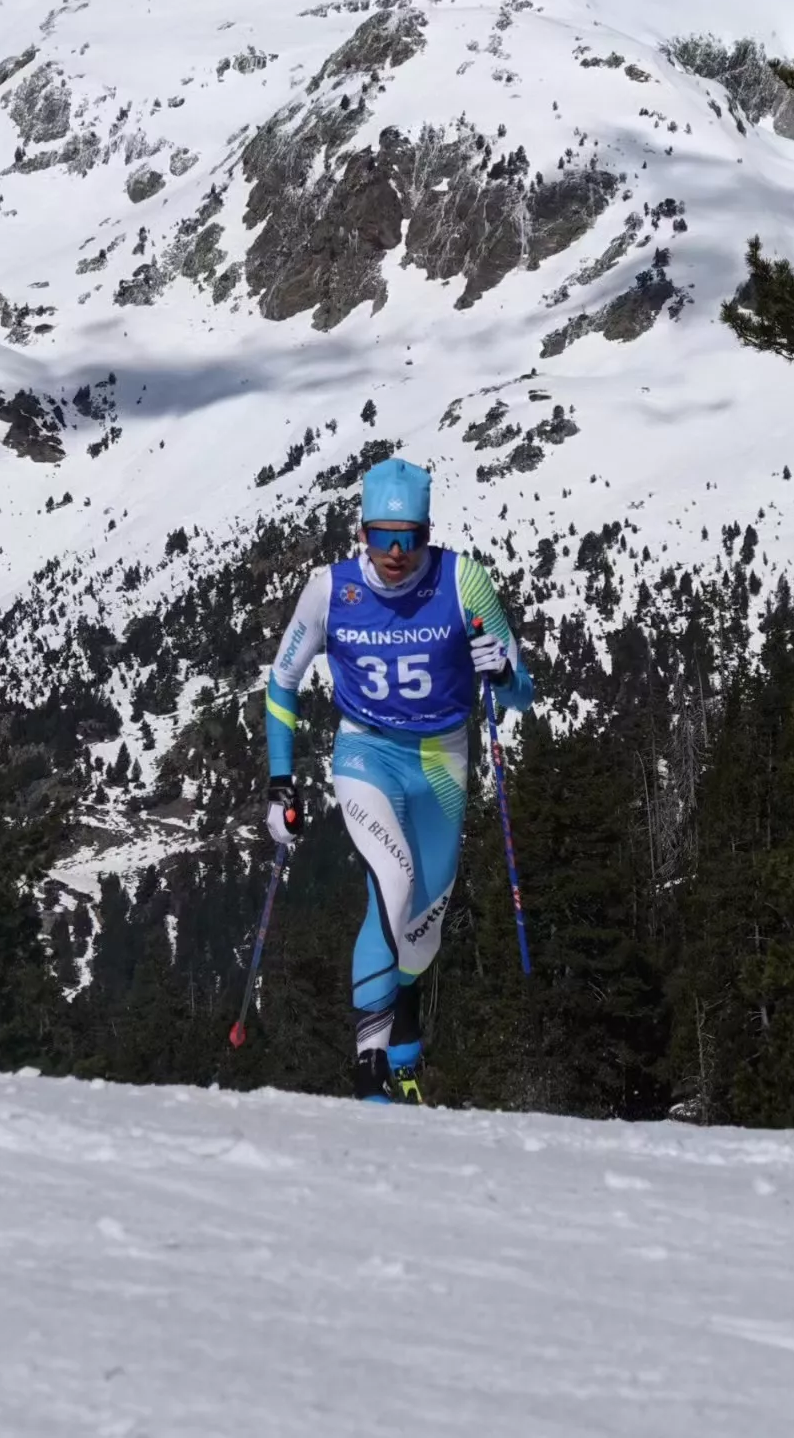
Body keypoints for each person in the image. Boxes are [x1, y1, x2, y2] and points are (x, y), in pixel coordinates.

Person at [263, 456, 534, 1103]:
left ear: (427, 532)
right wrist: (280, 780)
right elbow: (283, 680)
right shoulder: (330, 591)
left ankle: (405, 1052)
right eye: (381, 537)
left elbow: (523, 692)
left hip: (442, 762)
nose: (394, 553)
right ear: (362, 533)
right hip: (367, 755)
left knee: (424, 927)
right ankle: (371, 1071)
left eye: (407, 538)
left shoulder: (463, 580)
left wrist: (500, 670)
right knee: (393, 880)